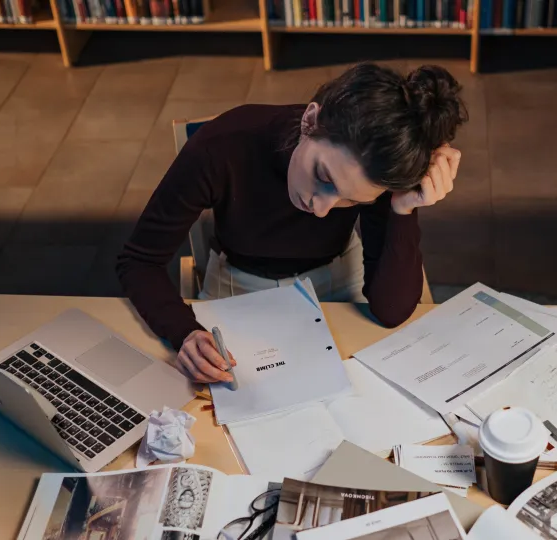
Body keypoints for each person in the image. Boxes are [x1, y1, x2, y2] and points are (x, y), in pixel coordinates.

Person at [117, 63, 468, 384]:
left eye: (352, 201)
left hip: (338, 280)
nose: (320, 208)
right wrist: (185, 333)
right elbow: (139, 260)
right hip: (237, 287)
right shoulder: (223, 145)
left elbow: (391, 312)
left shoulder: (375, 171)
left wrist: (403, 209)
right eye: (323, 176)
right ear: (310, 122)